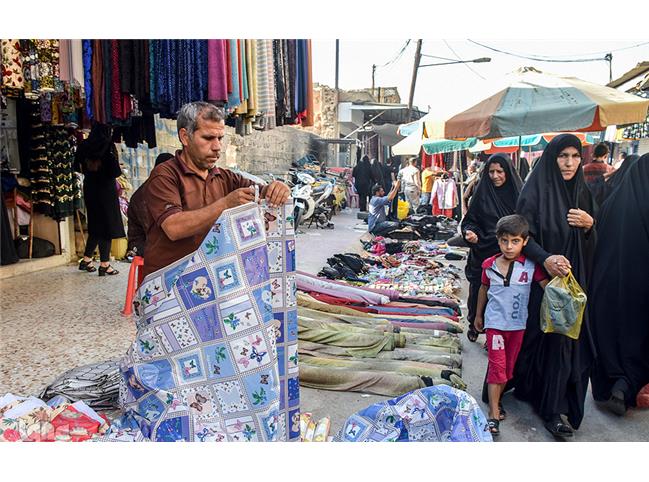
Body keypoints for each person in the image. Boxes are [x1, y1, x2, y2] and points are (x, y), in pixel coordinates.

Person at [143, 101, 290, 278]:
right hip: (169, 284)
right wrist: (225, 204)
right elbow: (173, 227)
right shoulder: (165, 175)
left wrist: (277, 188)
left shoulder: (226, 177)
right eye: (208, 138)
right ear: (185, 137)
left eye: (220, 138)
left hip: (213, 281)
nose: (217, 147)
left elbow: (263, 192)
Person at [513, 134, 596, 439]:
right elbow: (521, 237)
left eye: (575, 156)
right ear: (552, 158)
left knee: (566, 344)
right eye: (563, 156)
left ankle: (555, 409)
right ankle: (535, 392)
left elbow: (594, 241)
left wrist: (589, 227)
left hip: (574, 285)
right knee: (541, 341)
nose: (570, 163)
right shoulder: (534, 191)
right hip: (542, 282)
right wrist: (545, 259)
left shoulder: (582, 194)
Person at [474, 214, 549, 437]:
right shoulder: (489, 265)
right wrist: (478, 316)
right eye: (504, 240)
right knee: (497, 368)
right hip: (495, 325)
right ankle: (493, 414)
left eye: (515, 241)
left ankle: (497, 404)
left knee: (507, 371)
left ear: (525, 242)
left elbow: (548, 288)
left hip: (518, 327)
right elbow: (483, 289)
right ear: (498, 240)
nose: (509, 246)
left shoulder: (530, 267)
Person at [589, 153, 649, 416]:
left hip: (605, 286)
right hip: (640, 290)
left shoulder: (612, 202)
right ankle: (626, 385)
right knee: (636, 337)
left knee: (609, 336)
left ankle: (612, 382)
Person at [461, 154, 522, 343]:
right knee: (478, 291)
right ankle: (474, 323)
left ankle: (493, 333)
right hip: (483, 251)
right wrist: (469, 233)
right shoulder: (482, 193)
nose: (495, 176)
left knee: (502, 295)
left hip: (508, 253)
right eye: (491, 171)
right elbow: (470, 221)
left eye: (500, 171)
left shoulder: (519, 195)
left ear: (508, 173)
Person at [75, 123, 126, 276]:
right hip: (106, 189)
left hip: (90, 188)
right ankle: (104, 264)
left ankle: (86, 259)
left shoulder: (83, 145)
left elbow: (77, 166)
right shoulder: (108, 146)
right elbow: (115, 171)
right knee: (107, 225)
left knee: (95, 224)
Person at [126, 152, 175, 259]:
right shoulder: (145, 194)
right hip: (143, 244)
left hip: (154, 241)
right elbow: (154, 230)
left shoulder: (164, 188)